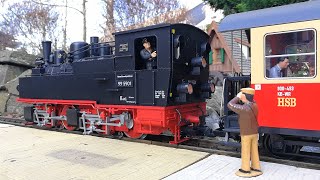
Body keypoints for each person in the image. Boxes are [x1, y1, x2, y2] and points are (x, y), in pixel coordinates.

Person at [227, 88, 262, 178]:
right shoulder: (255, 105)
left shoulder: (244, 108)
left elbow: (230, 104)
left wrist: (237, 97)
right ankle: (256, 167)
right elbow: (251, 100)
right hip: (254, 132)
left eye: (242, 94)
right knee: (254, 150)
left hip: (246, 133)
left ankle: (245, 169)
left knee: (246, 151)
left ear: (245, 96)